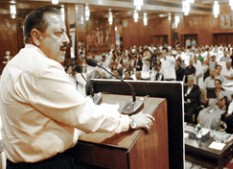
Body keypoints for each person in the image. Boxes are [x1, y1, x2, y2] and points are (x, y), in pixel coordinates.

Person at [0, 6, 154, 168]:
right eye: (59, 33)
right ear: (36, 37)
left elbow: (57, 117)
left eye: (66, 33)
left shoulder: (13, 65)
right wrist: (130, 122)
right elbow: (83, 115)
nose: (67, 39)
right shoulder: (42, 68)